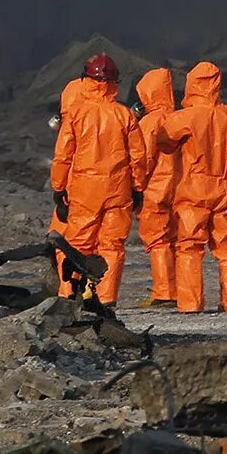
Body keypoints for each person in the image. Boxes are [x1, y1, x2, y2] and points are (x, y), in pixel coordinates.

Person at [51, 52, 147, 304]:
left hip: (85, 189)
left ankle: (69, 295)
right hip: (118, 189)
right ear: (115, 82)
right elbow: (138, 156)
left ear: (86, 79)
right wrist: (137, 188)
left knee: (78, 243)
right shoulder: (125, 115)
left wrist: (59, 188)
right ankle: (105, 300)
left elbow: (63, 155)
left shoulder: (76, 114)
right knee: (112, 246)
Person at [156, 60, 227, 314]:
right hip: (225, 189)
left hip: (193, 189)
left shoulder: (184, 117)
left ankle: (190, 304)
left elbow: (163, 142)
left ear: (192, 85)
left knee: (189, 247)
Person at [133, 67, 181, 309]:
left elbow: (144, 159)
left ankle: (164, 293)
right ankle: (183, 292)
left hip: (155, 188)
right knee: (177, 241)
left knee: (157, 241)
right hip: (181, 188)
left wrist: (136, 187)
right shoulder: (180, 118)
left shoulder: (149, 123)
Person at [44, 75, 90, 246]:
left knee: (64, 231)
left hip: (73, 180)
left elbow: (62, 158)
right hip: (95, 183)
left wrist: (58, 188)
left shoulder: (72, 93)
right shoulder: (116, 115)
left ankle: (59, 262)